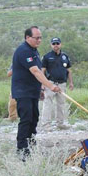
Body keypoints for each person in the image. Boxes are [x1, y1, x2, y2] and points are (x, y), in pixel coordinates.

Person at [12, 26, 61, 156]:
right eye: (36, 38)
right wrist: (50, 85)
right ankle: (22, 150)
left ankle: (31, 146)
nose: (39, 40)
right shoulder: (24, 51)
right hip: (23, 92)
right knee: (26, 119)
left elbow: (38, 72)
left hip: (32, 92)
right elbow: (35, 71)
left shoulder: (34, 51)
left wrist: (40, 88)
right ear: (28, 37)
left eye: (40, 37)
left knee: (34, 119)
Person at [40, 37, 73, 130]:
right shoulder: (47, 57)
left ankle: (60, 123)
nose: (56, 46)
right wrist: (43, 84)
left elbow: (69, 71)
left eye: (57, 43)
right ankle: (46, 125)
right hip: (50, 83)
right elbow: (42, 71)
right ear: (51, 45)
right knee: (48, 103)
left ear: (60, 44)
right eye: (54, 44)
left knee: (61, 104)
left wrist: (71, 83)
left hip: (62, 83)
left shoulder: (65, 56)